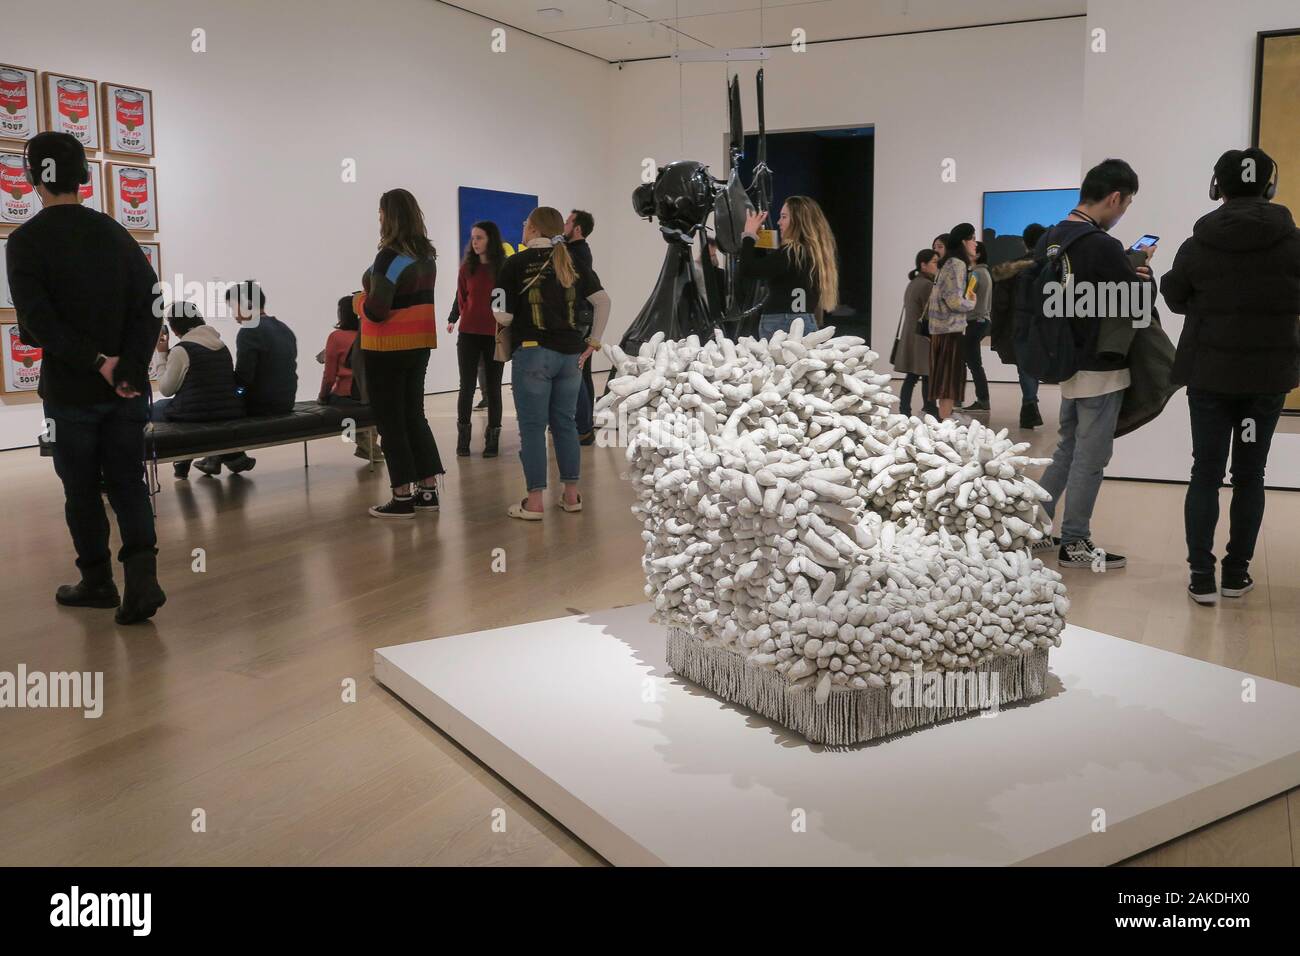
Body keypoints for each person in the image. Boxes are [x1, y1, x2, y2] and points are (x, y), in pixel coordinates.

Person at [4, 131, 165, 623]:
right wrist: (129, 367)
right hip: (127, 390)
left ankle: (97, 581)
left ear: (34, 181)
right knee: (128, 482)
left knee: (80, 489)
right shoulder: (116, 233)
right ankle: (143, 579)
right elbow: (152, 305)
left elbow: (38, 323)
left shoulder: (25, 241)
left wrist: (97, 361)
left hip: (71, 393)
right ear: (86, 176)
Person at [1161, 147, 1300, 604]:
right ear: (1269, 186)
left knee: (1205, 470)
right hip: (1265, 380)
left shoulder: (1197, 243)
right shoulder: (1292, 241)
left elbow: (1177, 298)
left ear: (1217, 187)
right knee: (1250, 474)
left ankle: (1201, 575)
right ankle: (1235, 573)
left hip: (1209, 376)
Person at [1035, 159, 1156, 570]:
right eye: (1127, 204)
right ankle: (1075, 541)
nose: (1124, 213)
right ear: (1115, 197)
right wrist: (1141, 273)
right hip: (1101, 367)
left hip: (1066, 361)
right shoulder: (1102, 246)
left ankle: (1034, 530)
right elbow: (1134, 309)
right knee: (1091, 456)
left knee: (1067, 449)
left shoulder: (1053, 237)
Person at [493, 206, 610, 520]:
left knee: (532, 429)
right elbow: (603, 301)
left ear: (532, 229)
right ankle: (571, 496)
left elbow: (501, 314)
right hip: (571, 356)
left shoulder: (513, 264)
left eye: (525, 223)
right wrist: (593, 342)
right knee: (566, 425)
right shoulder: (573, 261)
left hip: (533, 353)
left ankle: (534, 502)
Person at [355, 188, 444, 518]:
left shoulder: (389, 256)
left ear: (389, 216)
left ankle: (402, 497)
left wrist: (356, 302)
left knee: (391, 422)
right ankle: (428, 490)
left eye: (380, 212)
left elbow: (377, 310)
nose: (378, 217)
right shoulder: (427, 257)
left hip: (387, 347)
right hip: (420, 344)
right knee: (414, 415)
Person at [194, 281, 297, 476]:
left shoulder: (250, 330)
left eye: (233, 308)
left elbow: (244, 379)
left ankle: (225, 457)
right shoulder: (284, 328)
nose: (234, 316)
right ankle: (222, 458)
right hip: (286, 400)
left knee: (212, 404)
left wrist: (234, 394)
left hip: (262, 404)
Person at [151, 300, 243, 479]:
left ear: (174, 328)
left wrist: (162, 354)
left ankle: (181, 461)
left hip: (197, 414)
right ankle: (232, 456)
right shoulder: (221, 346)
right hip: (229, 411)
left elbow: (166, 389)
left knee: (154, 409)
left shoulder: (181, 350)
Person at [740, 196, 839, 339]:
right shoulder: (815, 254)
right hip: (807, 320)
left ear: (798, 221)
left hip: (780, 322)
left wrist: (749, 235)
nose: (779, 222)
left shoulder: (791, 252)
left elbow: (748, 269)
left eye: (784, 217)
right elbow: (767, 268)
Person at [450, 220, 506, 457]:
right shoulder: (466, 269)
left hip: (494, 335)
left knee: (493, 389)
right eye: (473, 238)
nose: (474, 242)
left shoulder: (503, 269)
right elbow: (461, 296)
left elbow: (505, 301)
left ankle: (492, 439)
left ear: (491, 240)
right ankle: (463, 439)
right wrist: (455, 317)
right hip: (468, 335)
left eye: (479, 237)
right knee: (466, 387)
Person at [989, 223, 1047, 428]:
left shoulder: (1011, 269)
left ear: (1024, 242)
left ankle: (1029, 403)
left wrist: (997, 330)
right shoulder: (1051, 266)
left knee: (1025, 367)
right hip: (1046, 325)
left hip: (1020, 325)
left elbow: (1001, 303)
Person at [925, 222, 978, 419]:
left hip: (940, 330)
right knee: (948, 383)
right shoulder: (957, 264)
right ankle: (944, 424)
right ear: (964, 241)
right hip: (950, 331)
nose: (975, 243)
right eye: (972, 239)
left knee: (944, 382)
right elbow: (954, 301)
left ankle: (944, 420)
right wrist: (971, 302)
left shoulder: (947, 263)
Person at [319, 295, 381, 461]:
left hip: (346, 394)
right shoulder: (369, 334)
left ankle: (366, 444)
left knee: (335, 404)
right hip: (369, 395)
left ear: (342, 314)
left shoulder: (336, 337)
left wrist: (322, 396)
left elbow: (329, 377)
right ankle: (368, 445)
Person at [564, 209, 599, 445]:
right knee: (583, 372)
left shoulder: (575, 253)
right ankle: (584, 425)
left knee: (577, 371)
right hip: (583, 319)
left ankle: (584, 428)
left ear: (577, 229)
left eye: (567, 222)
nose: (563, 226)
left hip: (578, 320)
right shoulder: (580, 251)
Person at [892, 249, 940, 418]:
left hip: (912, 334)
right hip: (923, 336)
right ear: (923, 265)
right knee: (926, 374)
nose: (937, 265)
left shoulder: (913, 282)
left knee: (912, 376)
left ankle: (905, 410)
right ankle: (930, 408)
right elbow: (931, 313)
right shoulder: (927, 285)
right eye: (934, 262)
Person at [960, 241, 993, 411]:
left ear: (978, 254)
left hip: (975, 321)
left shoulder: (975, 275)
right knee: (973, 362)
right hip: (982, 321)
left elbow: (966, 296)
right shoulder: (984, 272)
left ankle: (982, 400)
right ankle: (981, 399)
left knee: (972, 362)